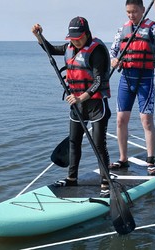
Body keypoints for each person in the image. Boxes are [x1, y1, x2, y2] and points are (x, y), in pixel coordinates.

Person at [32, 17, 111, 197]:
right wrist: (39, 36)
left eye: (79, 37)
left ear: (87, 34)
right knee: (74, 142)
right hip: (77, 106)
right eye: (72, 38)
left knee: (99, 144)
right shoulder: (69, 48)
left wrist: (80, 97)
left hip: (95, 104)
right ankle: (71, 178)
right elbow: (50, 50)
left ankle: (106, 181)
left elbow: (98, 81)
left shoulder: (96, 51)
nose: (75, 41)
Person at [109, 0, 155, 175]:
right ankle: (123, 159)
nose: (131, 15)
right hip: (126, 79)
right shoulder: (123, 29)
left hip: (145, 79)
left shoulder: (152, 28)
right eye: (128, 12)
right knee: (120, 120)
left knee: (146, 121)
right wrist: (114, 59)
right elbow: (113, 51)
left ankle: (150, 161)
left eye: (134, 12)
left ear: (142, 10)